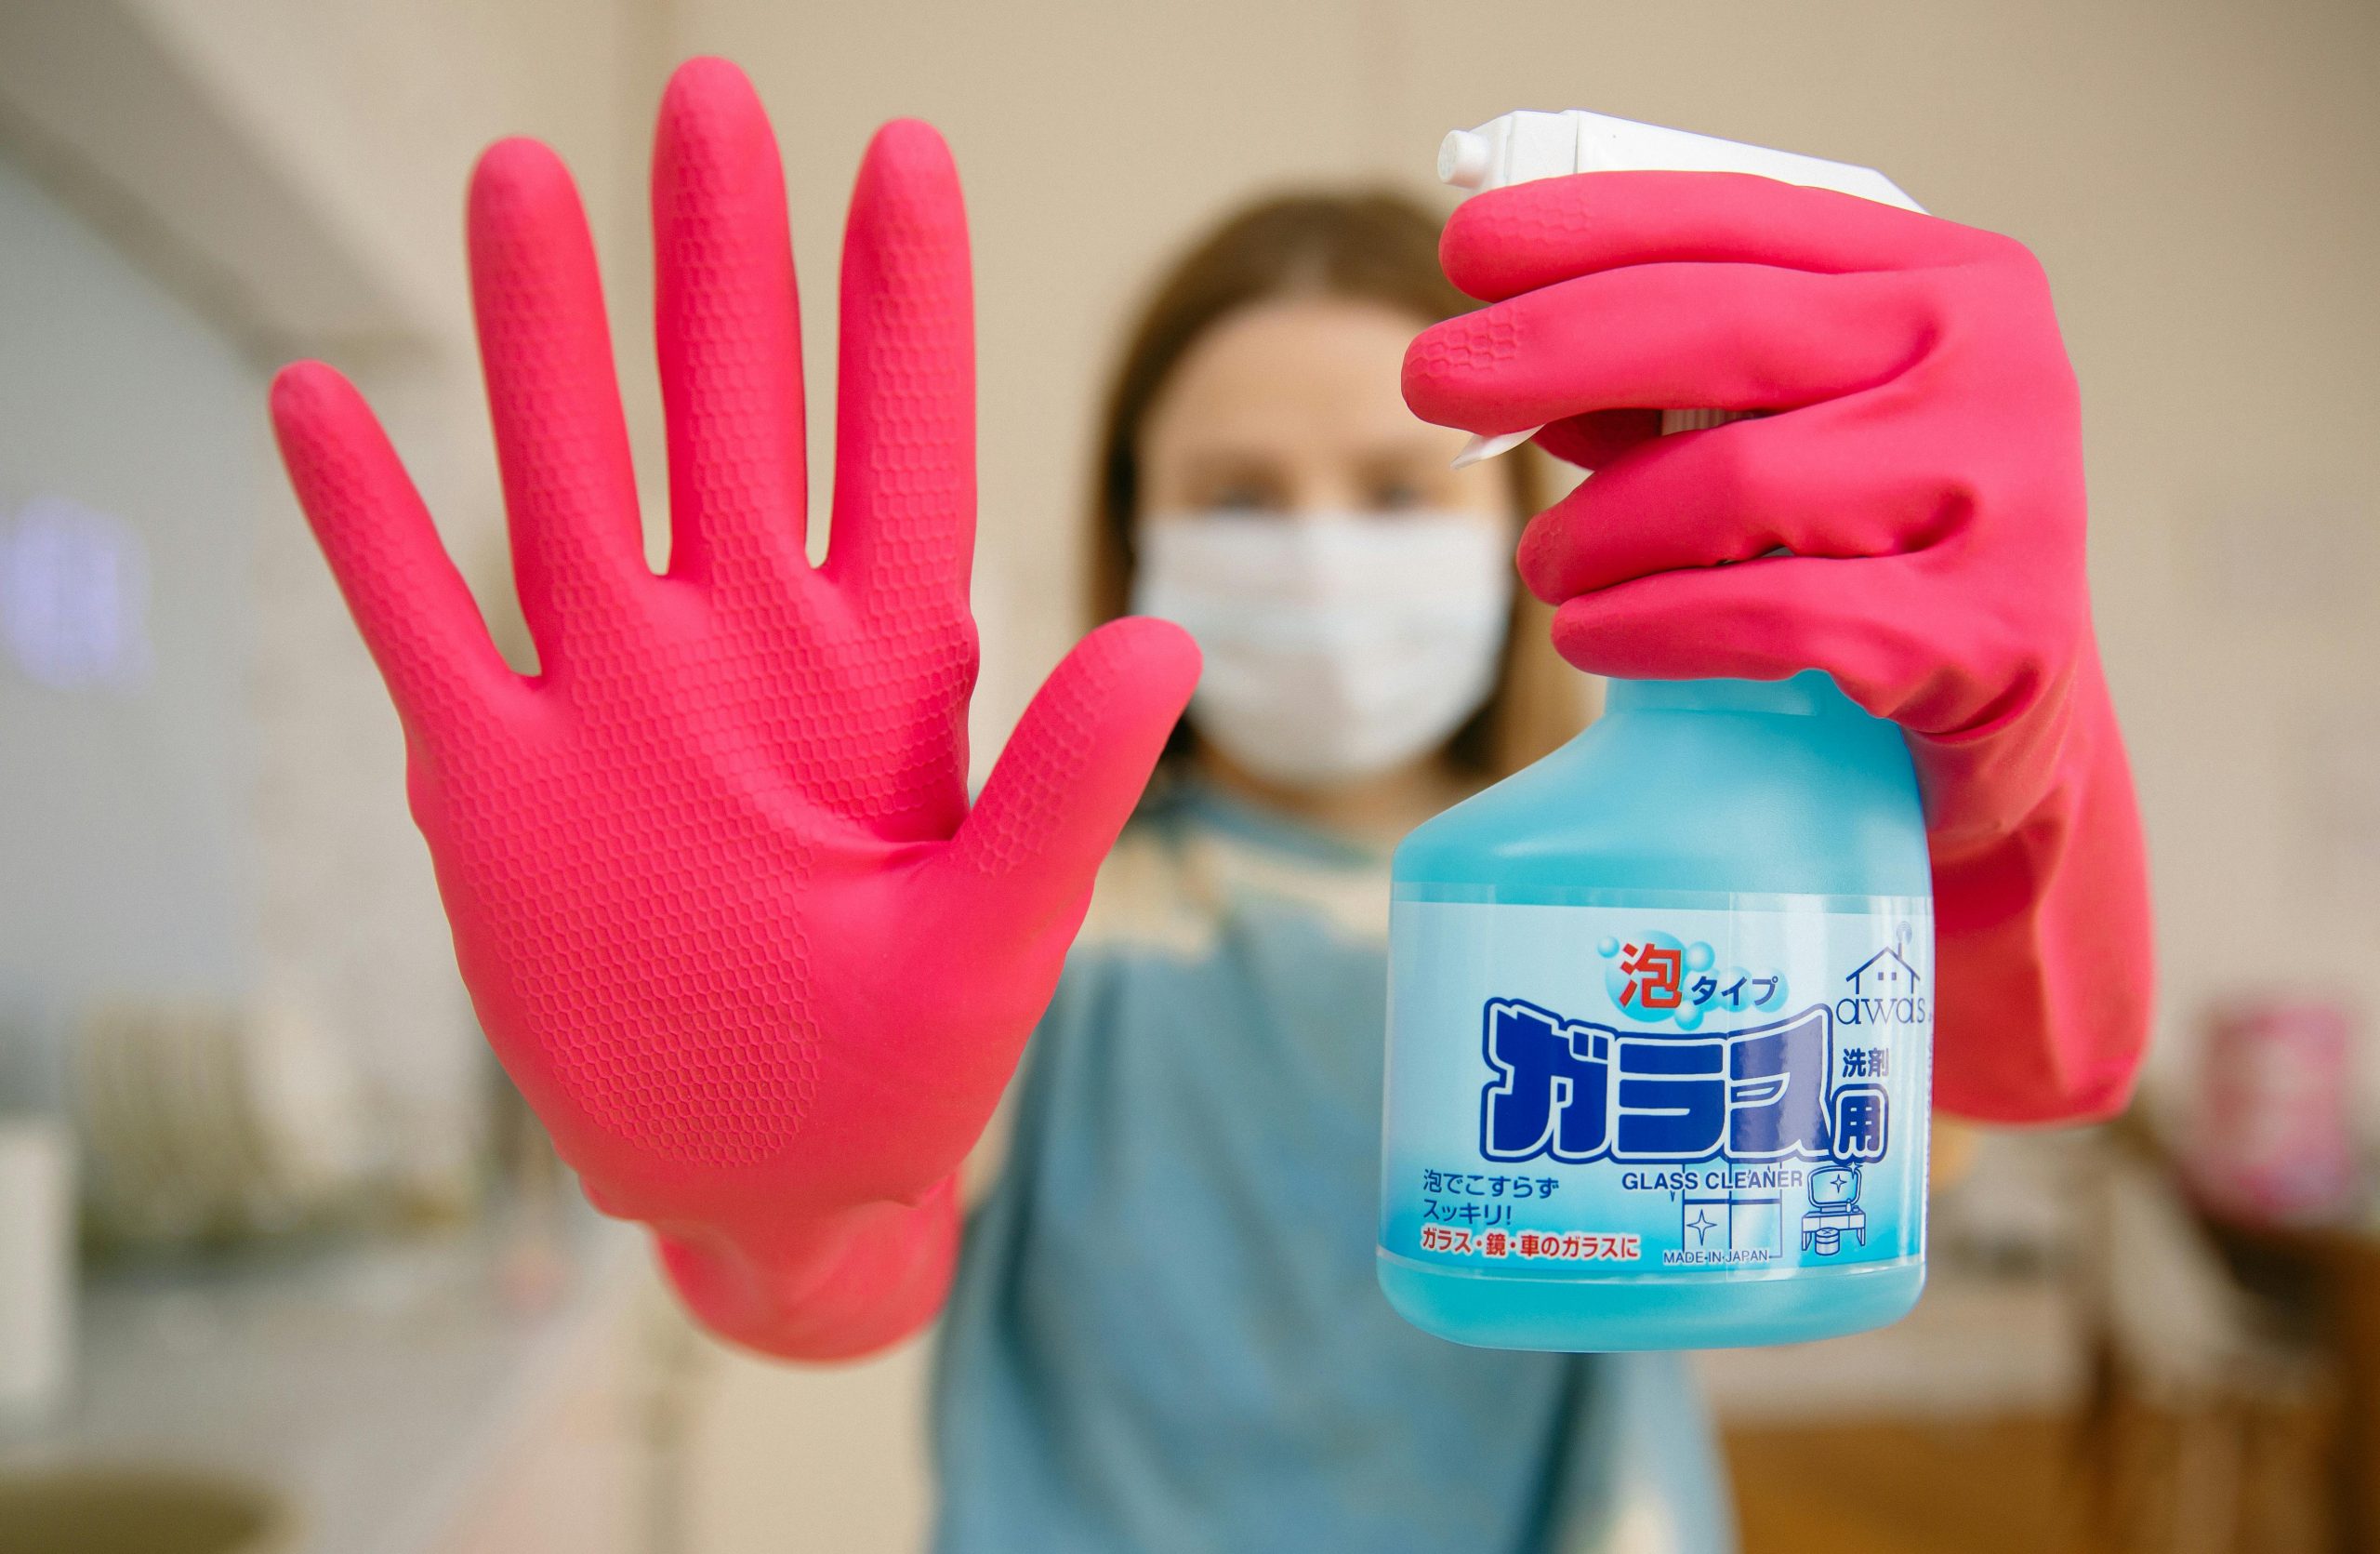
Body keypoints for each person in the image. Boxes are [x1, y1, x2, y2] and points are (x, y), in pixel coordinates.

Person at [266, 55, 2150, 1554]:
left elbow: (1950, 1131)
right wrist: (760, 1195)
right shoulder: (1028, 921)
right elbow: (852, 1268)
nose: (1318, 550)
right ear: (1133, 523)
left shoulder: (1644, 907)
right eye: (1239, 494)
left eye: (1393, 491)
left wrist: (1997, 793)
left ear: (1525, 524)